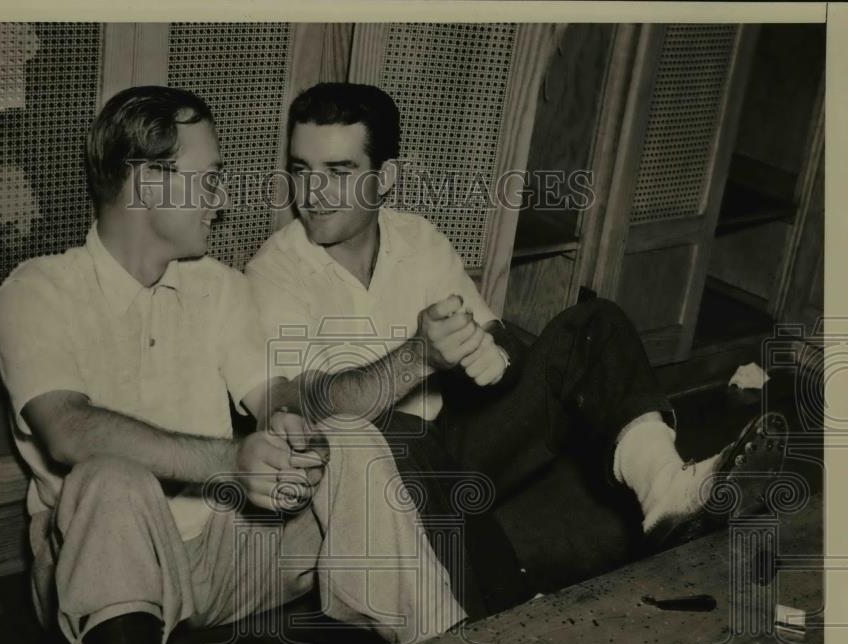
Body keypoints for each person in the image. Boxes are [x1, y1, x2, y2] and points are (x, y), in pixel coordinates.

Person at [0, 85, 465, 644]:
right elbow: (69, 428)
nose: (224, 198)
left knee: (349, 439)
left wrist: (361, 391)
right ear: (151, 184)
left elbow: (283, 398)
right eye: (210, 178)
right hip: (113, 565)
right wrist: (228, 462)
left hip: (224, 551)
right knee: (110, 480)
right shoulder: (37, 290)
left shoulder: (217, 286)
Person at [245, 82, 789, 613]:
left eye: (338, 173)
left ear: (385, 178)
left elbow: (497, 347)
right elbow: (302, 412)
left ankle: (665, 490)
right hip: (371, 489)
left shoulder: (419, 240)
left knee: (594, 324)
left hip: (459, 448)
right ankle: (486, 597)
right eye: (301, 170)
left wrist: (491, 357)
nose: (312, 194)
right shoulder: (275, 271)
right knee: (388, 435)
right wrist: (419, 357)